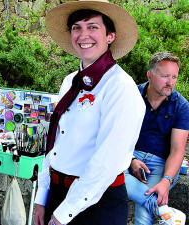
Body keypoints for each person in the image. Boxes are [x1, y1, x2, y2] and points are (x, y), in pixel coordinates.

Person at [34, 1, 146, 225]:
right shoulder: (69, 82)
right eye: (77, 27)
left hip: (96, 204)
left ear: (110, 36)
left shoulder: (119, 87)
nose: (83, 34)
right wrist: (42, 197)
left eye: (92, 26)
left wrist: (63, 213)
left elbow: (107, 161)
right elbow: (55, 144)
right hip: (58, 195)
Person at [124, 52, 189, 225]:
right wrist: (131, 159)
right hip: (128, 155)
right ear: (150, 75)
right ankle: (162, 210)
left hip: (160, 163)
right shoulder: (131, 95)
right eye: (165, 76)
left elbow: (177, 150)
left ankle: (154, 207)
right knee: (108, 175)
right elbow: (118, 136)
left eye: (174, 76)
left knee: (143, 215)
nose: (171, 82)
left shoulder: (181, 106)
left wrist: (166, 181)